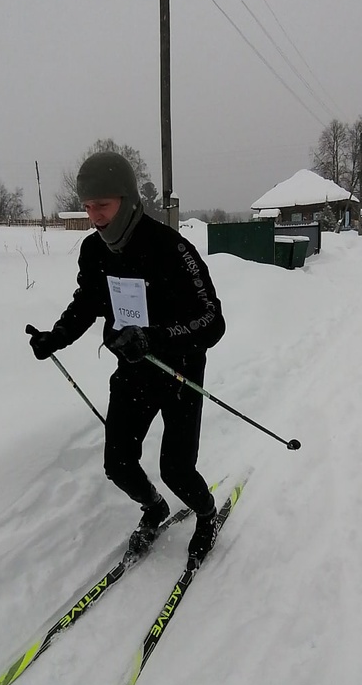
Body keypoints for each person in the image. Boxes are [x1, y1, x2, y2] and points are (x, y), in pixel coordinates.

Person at [27, 151, 225, 566]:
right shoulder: (94, 251)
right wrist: (57, 336)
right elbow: (89, 300)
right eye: (87, 206)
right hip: (133, 374)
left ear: (128, 199)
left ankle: (206, 514)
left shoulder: (172, 247)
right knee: (117, 464)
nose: (95, 216)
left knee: (177, 470)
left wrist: (155, 338)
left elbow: (212, 320)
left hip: (180, 373)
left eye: (102, 205)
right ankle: (154, 508)